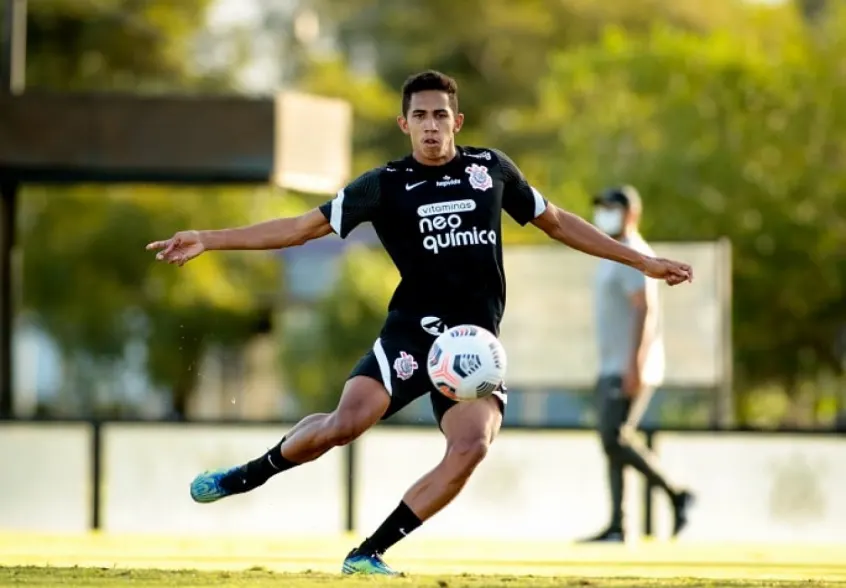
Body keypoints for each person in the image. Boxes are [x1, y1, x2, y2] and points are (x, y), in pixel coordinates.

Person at [146, 71, 693, 576]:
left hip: (474, 345)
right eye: (420, 116)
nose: (431, 125)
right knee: (343, 426)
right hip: (411, 332)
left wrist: (640, 260)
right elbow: (296, 227)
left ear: (457, 121)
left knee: (472, 446)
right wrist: (210, 239)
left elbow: (559, 223)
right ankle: (246, 475)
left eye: (441, 115)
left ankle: (369, 553)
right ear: (404, 124)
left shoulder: (491, 170)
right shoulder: (383, 185)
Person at [580, 186, 694, 543]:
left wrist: (635, 363)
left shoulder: (633, 252)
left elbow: (644, 308)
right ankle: (617, 524)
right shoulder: (613, 253)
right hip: (611, 363)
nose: (604, 213)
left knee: (613, 439)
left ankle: (676, 494)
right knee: (612, 441)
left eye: (611, 207)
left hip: (627, 365)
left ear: (631, 213)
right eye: (601, 207)